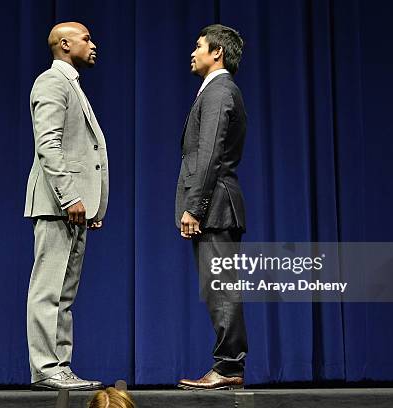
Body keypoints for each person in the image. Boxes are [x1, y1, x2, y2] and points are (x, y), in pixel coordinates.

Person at [24, 21, 109, 391]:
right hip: (56, 204)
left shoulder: (72, 84)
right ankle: (46, 367)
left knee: (65, 292)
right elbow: (48, 145)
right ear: (63, 44)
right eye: (86, 39)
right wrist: (70, 195)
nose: (93, 44)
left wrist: (90, 203)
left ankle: (60, 366)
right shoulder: (52, 82)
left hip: (72, 207)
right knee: (49, 288)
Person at [175, 24, 248, 390]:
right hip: (215, 204)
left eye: (198, 45)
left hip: (215, 205)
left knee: (220, 287)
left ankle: (229, 365)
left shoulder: (219, 91)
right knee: (215, 288)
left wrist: (195, 207)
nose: (193, 51)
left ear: (216, 52)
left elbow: (210, 155)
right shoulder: (214, 91)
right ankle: (228, 365)